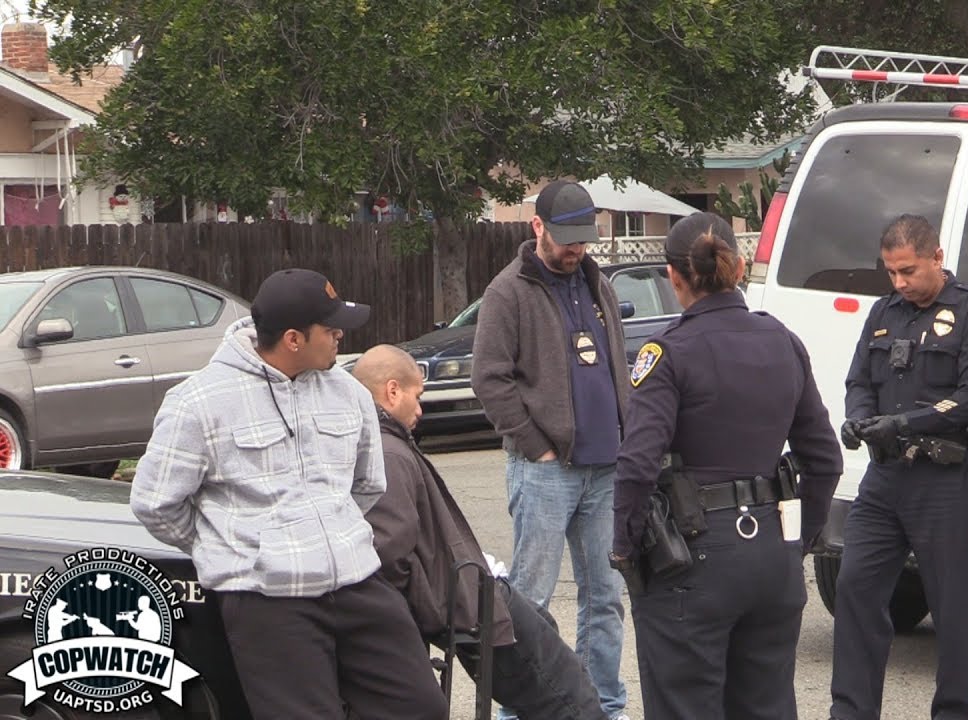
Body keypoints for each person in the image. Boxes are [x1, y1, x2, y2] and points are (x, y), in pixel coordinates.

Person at [130, 268, 446, 720]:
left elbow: (368, 483)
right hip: (268, 600)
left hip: (357, 583)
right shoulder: (198, 402)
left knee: (421, 708)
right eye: (331, 328)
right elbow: (155, 502)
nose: (341, 335)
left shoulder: (349, 393)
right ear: (294, 339)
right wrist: (234, 546)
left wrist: (331, 534)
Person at [611, 211, 842, 720]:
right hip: (771, 557)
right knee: (766, 706)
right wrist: (799, 541)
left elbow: (637, 464)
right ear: (738, 268)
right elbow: (824, 459)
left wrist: (625, 548)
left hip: (692, 558)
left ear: (673, 277)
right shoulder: (782, 341)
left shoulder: (669, 351)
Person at [352, 344, 608, 720]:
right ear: (392, 391)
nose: (421, 410)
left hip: (467, 591)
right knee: (571, 699)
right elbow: (389, 556)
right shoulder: (387, 454)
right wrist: (437, 601)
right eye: (417, 397)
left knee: (547, 637)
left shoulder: (383, 444)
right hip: (465, 600)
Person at [830, 214, 968, 720]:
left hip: (947, 480)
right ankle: (851, 711)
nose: (900, 282)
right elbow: (859, 378)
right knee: (855, 588)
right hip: (886, 480)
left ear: (936, 258)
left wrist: (903, 423)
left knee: (953, 609)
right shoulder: (885, 312)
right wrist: (859, 419)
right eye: (891, 272)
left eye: (908, 271)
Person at [471, 180, 630, 720]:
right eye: (567, 238)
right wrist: (535, 446)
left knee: (605, 597)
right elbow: (489, 379)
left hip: (606, 468)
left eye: (584, 239)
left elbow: (615, 365)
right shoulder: (507, 291)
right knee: (528, 603)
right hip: (545, 472)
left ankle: (600, 707)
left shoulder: (596, 282)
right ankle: (522, 712)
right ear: (536, 226)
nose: (576, 249)